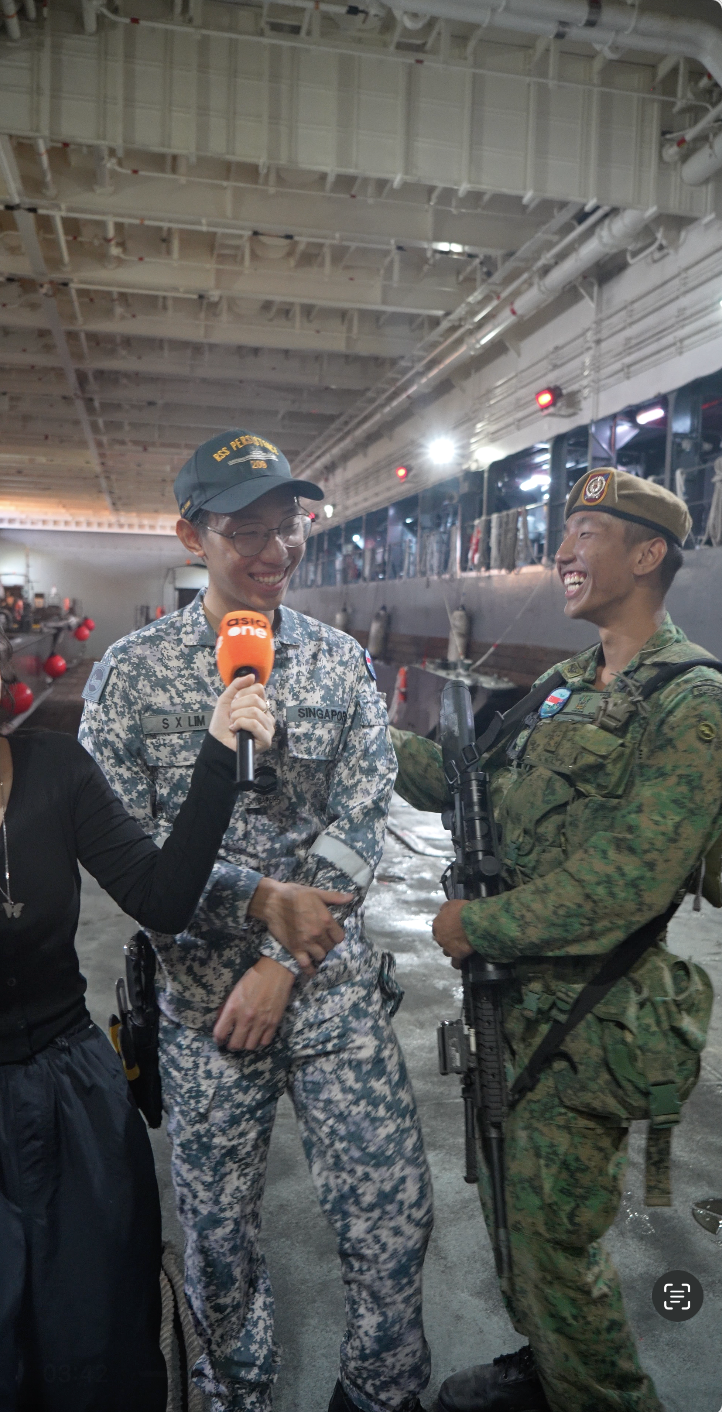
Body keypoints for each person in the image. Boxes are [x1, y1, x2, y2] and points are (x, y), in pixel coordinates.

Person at [79, 429, 433, 1412]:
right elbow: (124, 845)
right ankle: (235, 1391)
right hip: (204, 1009)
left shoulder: (339, 663)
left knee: (392, 1217)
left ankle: (380, 1391)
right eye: (248, 531)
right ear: (191, 535)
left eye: (291, 527)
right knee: (219, 1241)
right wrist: (253, 896)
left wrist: (281, 958)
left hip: (326, 992)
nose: (276, 550)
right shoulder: (131, 676)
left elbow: (362, 821)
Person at [391, 468, 722, 1412]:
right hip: (513, 1007)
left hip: (591, 1019)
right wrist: (358, 736)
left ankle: (602, 1396)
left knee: (553, 1246)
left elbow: (630, 880)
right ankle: (546, 1371)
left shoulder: (693, 701)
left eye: (587, 531)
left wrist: (476, 925)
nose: (563, 550)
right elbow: (466, 782)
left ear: (648, 554)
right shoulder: (563, 687)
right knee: (511, 1221)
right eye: (564, 530)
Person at [0, 640, 274, 1412]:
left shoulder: (57, 769)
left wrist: (218, 755)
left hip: (71, 1095)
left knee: (99, 1340)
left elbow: (163, 898)